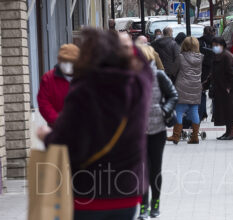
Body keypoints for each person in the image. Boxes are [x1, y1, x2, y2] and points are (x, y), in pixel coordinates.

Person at [37, 29, 153, 220]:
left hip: (87, 193)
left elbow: (67, 144)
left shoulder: (82, 90)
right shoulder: (138, 86)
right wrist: (126, 45)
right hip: (127, 193)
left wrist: (46, 136)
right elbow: (143, 64)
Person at [137, 45, 178, 220]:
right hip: (137, 131)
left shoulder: (159, 75)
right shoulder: (132, 78)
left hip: (157, 129)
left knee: (155, 169)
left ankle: (155, 204)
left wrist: (164, 110)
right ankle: (143, 206)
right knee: (141, 170)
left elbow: (173, 95)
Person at [167, 37, 203, 144]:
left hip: (182, 86)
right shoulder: (200, 57)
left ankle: (176, 135)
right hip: (196, 86)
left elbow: (173, 71)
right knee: (194, 111)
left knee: (179, 111)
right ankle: (195, 136)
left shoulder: (180, 57)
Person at [37, 44, 80, 127]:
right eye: (65, 61)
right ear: (59, 60)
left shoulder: (85, 77)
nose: (68, 65)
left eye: (71, 61)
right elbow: (43, 103)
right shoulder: (48, 78)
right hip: (56, 128)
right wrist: (58, 120)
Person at [211, 37, 233, 140]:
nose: (214, 47)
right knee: (225, 110)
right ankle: (228, 131)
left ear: (222, 45)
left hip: (229, 88)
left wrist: (229, 86)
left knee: (230, 110)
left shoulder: (226, 56)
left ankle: (232, 132)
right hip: (222, 87)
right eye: (213, 45)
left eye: (216, 45)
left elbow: (232, 74)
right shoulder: (219, 55)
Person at [198, 26, 215, 120]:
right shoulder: (216, 41)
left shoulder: (200, 41)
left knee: (203, 90)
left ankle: (203, 113)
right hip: (214, 67)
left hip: (203, 68)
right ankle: (215, 115)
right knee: (214, 90)